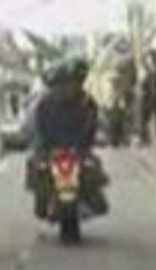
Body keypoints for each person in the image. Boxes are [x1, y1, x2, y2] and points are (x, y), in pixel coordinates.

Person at [27, 56, 108, 218]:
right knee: (38, 168)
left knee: (92, 168)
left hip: (73, 149)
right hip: (59, 149)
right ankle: (44, 201)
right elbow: (37, 127)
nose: (67, 89)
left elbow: (93, 125)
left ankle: (90, 198)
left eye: (71, 84)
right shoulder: (46, 103)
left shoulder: (84, 101)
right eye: (64, 84)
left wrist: (93, 139)